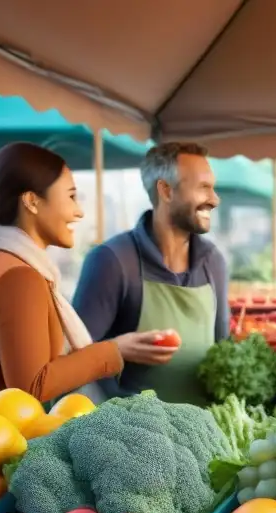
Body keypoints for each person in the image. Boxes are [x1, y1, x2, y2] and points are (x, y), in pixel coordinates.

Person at [0, 142, 170, 406]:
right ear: (32, 201)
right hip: (1, 443)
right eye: (70, 196)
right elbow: (33, 386)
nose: (78, 211)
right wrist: (115, 350)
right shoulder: (18, 278)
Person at [72, 142, 229, 405]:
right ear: (165, 190)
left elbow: (224, 350)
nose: (214, 199)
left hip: (205, 434)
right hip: (131, 435)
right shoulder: (112, 261)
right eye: (203, 187)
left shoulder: (213, 262)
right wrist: (116, 349)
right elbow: (74, 362)